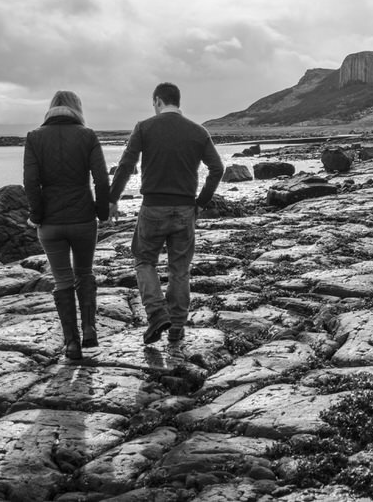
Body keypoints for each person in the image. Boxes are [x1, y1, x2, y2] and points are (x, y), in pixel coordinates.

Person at [109, 82, 224, 345]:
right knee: (180, 270)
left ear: (158, 100)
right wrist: (201, 203)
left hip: (153, 208)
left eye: (153, 103)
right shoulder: (198, 131)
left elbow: (126, 165)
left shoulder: (144, 127)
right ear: (177, 101)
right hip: (185, 209)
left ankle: (157, 314)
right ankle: (177, 328)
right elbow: (217, 169)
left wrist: (112, 199)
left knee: (144, 261)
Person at [24, 91, 109, 360]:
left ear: (51, 109)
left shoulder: (34, 137)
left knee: (62, 281)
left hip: (50, 223)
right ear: (77, 109)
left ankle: (71, 344)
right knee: (84, 273)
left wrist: (36, 216)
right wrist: (101, 212)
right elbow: (102, 179)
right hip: (83, 219)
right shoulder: (88, 135)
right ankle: (89, 330)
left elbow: (30, 182)